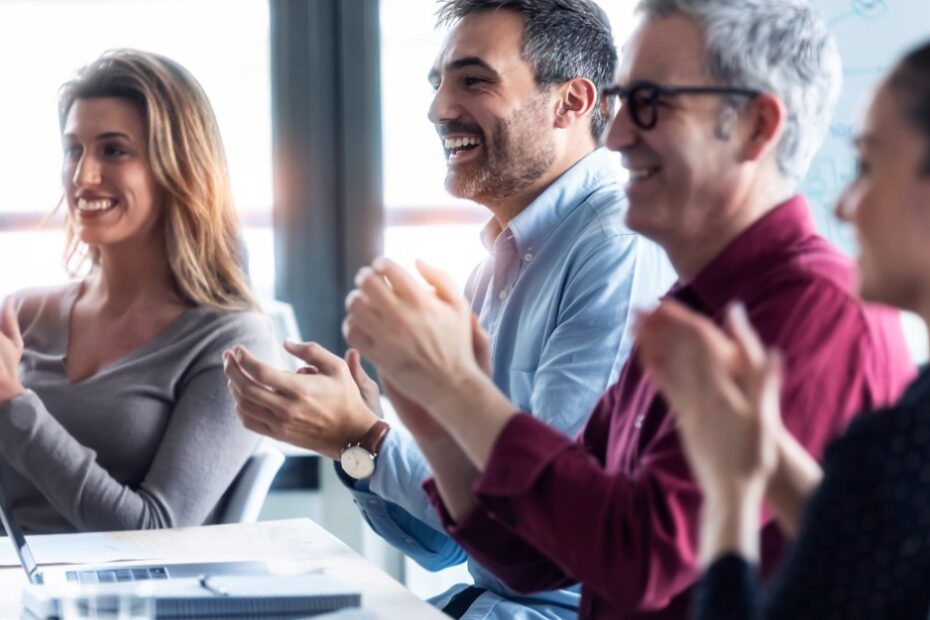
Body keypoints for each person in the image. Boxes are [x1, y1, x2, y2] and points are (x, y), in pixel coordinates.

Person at [340, 0, 915, 618]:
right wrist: (429, 419)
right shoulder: (687, 309)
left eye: (649, 105)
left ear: (754, 127)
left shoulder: (812, 312)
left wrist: (455, 390)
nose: (613, 136)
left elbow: (640, 560)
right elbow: (539, 551)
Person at [223, 0, 673, 617]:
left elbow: (551, 534)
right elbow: (442, 546)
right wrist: (356, 437)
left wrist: (366, 437)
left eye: (474, 79)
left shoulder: (615, 252)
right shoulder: (496, 268)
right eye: (438, 83)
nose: (438, 108)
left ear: (572, 102)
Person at [637, 39, 930, 620]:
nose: (845, 207)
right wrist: (759, 443)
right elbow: (874, 549)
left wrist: (730, 489)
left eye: (868, 166)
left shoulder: (900, 441)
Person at [0, 49, 274, 534]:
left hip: (125, 606)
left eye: (113, 150)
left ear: (179, 169)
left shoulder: (232, 341)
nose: (83, 176)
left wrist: (13, 407)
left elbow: (155, 532)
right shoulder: (21, 312)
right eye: (73, 150)